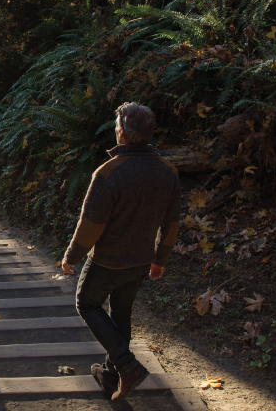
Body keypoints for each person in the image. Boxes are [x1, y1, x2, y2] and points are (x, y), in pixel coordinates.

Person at [61, 102, 181, 401]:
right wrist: (160, 259)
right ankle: (111, 375)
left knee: (87, 303)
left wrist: (72, 256)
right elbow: (172, 223)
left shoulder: (109, 172)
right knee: (121, 313)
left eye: (117, 127)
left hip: (106, 261)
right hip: (141, 261)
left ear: (123, 134)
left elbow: (91, 225)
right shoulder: (168, 172)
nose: (116, 130)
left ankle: (128, 367)